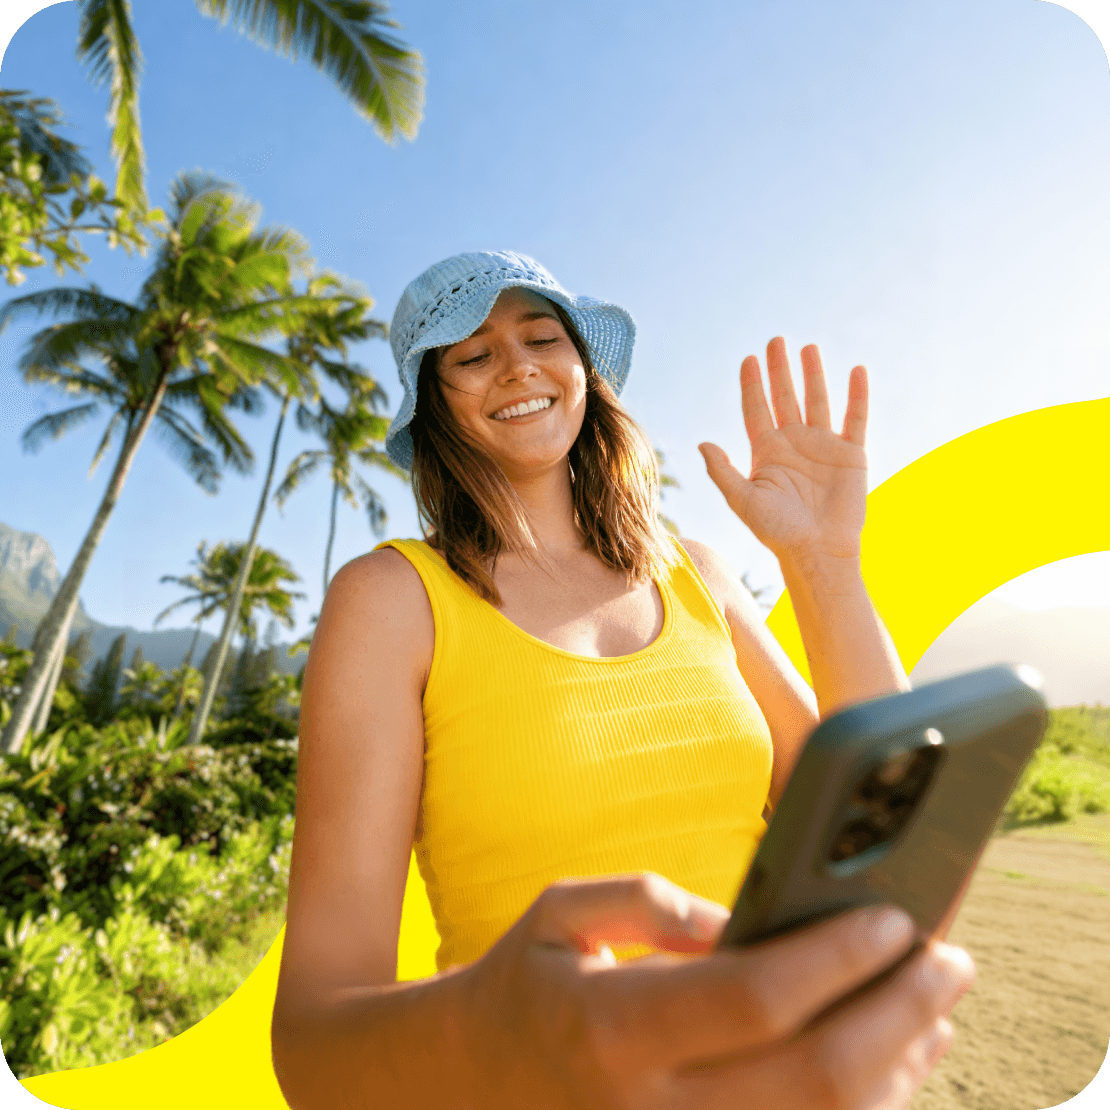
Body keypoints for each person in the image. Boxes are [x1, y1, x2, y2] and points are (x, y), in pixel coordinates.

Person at [271, 251, 975, 1109]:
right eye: (472, 352)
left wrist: (823, 564)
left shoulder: (698, 575)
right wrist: (506, 1036)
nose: (519, 364)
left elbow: (894, 837)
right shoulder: (392, 599)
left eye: (542, 336)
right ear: (434, 402)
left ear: (583, 372)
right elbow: (314, 1047)